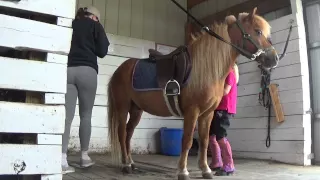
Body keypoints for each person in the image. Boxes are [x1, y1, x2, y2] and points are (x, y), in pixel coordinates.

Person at [61, 6, 110, 174]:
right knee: (86, 115)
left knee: (66, 117)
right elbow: (102, 51)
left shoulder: (72, 24)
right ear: (95, 17)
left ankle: (61, 159)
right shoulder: (95, 26)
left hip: (68, 70)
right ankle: (84, 157)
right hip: (87, 71)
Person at [208, 63, 239, 176]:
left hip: (224, 108)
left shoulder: (229, 73)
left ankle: (229, 165)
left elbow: (226, 91)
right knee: (211, 136)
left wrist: (209, 92)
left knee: (221, 136)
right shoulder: (221, 74)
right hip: (216, 107)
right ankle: (217, 162)